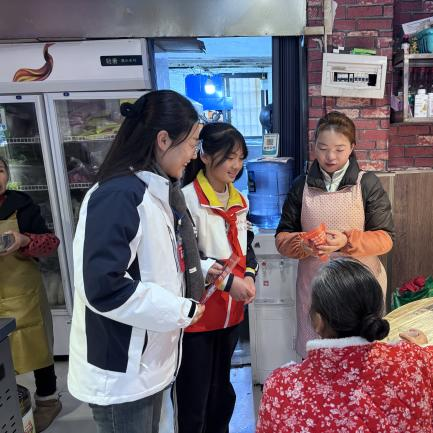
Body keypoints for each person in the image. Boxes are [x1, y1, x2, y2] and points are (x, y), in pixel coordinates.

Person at [68, 90, 208, 433]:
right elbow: (104, 286)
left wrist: (203, 270)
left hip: (147, 363)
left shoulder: (154, 190)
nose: (194, 154)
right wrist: (180, 309)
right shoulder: (120, 195)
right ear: (163, 140)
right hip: (122, 371)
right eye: (192, 143)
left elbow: (154, 262)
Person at [256, 257, 433, 433]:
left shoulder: (280, 388)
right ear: (376, 311)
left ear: (318, 320)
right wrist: (423, 351)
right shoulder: (415, 364)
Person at [276, 111, 395, 357]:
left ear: (352, 147)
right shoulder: (301, 185)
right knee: (317, 356)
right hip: (315, 291)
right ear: (314, 147)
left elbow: (385, 239)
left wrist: (346, 241)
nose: (330, 157)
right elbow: (282, 238)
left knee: (362, 357)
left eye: (339, 150)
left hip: (360, 290)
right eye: (323, 149)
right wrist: (304, 244)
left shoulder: (367, 183)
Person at [178, 122, 257, 433]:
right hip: (199, 314)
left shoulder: (240, 200)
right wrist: (228, 282)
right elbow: (184, 256)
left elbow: (246, 246)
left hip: (231, 312)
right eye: (229, 157)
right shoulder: (186, 199)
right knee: (194, 394)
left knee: (222, 391)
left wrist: (249, 277)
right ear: (205, 156)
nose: (236, 165)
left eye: (240, 158)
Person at [0, 156, 62, 432]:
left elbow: (51, 243)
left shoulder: (21, 205)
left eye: (0, 170)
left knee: (37, 345)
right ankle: (9, 404)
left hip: (23, 292)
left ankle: (48, 401)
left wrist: (25, 241)